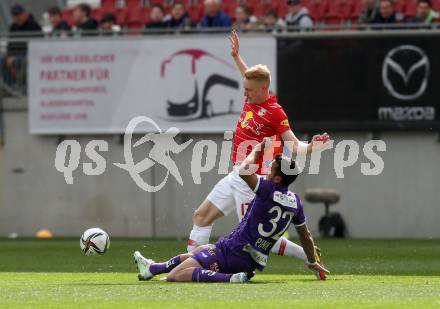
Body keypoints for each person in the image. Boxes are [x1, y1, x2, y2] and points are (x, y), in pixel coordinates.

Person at [185, 30, 330, 280]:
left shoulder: (275, 112)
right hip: (236, 173)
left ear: (263, 89)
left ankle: (308, 255)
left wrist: (314, 146)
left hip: (252, 180)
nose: (244, 94)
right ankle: (190, 268)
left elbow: (294, 146)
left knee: (257, 237)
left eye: (249, 90)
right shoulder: (252, 97)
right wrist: (236, 56)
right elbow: (249, 76)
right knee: (201, 216)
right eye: (245, 89)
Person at [134, 139, 330, 283]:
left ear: (278, 179)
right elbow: (306, 236)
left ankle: (229, 278)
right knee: (201, 250)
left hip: (234, 253)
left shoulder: (267, 189)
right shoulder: (295, 202)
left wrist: (257, 150)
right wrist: (312, 260)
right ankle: (152, 268)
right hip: (250, 260)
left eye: (272, 168)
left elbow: (244, 170)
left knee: (175, 276)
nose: (268, 168)